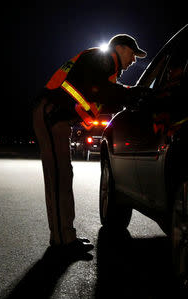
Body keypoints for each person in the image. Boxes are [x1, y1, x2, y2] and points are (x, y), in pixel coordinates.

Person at [32, 34, 148, 256]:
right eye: (132, 53)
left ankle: (65, 236)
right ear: (120, 48)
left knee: (64, 175)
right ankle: (62, 241)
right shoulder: (102, 58)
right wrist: (131, 94)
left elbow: (103, 95)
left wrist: (129, 95)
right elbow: (100, 89)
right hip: (50, 113)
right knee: (59, 178)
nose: (134, 60)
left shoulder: (104, 67)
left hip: (56, 116)